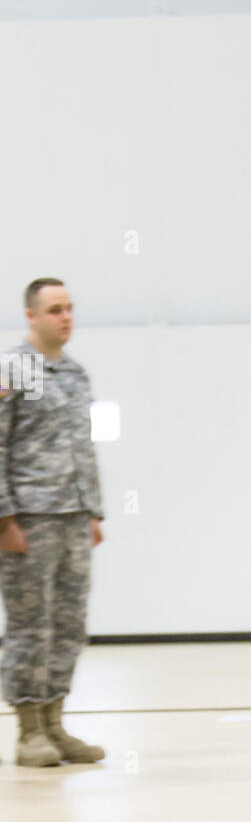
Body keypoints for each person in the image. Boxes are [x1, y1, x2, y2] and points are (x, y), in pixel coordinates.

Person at [0, 279, 105, 767]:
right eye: (55, 310)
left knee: (68, 625)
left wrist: (94, 510)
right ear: (31, 316)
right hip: (30, 519)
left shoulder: (78, 374)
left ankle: (56, 724)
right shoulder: (14, 370)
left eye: (69, 309)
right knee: (29, 626)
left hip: (73, 516)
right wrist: (5, 519)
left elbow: (85, 446)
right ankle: (28, 733)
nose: (65, 317)